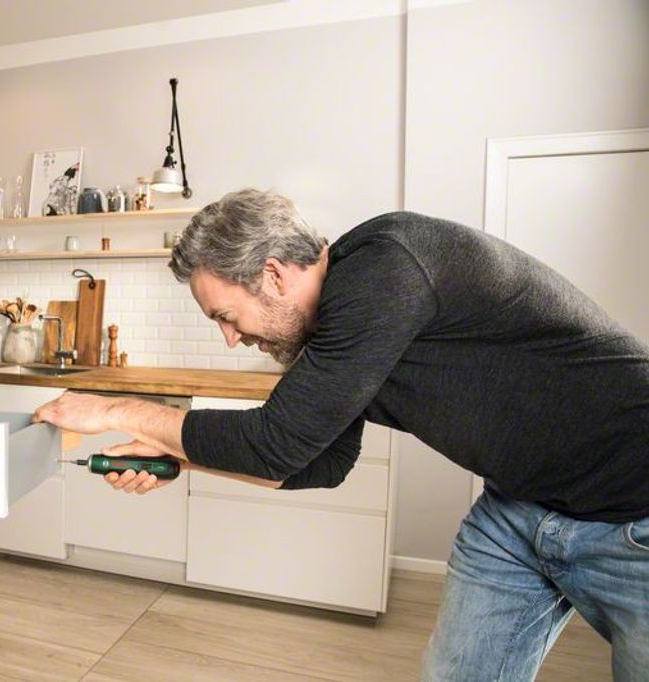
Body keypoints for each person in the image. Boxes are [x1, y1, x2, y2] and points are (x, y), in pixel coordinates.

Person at [33, 188, 649, 680]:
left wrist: (120, 411)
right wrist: (178, 455)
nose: (231, 338)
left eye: (226, 316)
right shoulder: (335, 332)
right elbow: (318, 464)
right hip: (516, 512)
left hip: (635, 508)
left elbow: (274, 442)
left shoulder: (387, 267)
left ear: (273, 275)